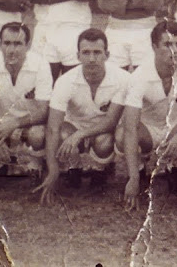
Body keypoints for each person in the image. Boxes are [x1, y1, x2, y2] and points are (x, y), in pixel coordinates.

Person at [35, 28, 130, 204]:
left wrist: (80, 135)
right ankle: (73, 168)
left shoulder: (123, 79)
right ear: (78, 56)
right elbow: (53, 127)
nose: (92, 58)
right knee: (63, 134)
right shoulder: (65, 81)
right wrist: (53, 170)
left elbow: (111, 121)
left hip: (103, 130)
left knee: (105, 141)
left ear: (107, 55)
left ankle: (100, 170)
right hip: (74, 127)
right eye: (86, 52)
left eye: (97, 52)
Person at [119, 20, 177, 210]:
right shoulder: (139, 77)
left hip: (176, 127)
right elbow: (130, 128)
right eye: (168, 44)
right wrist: (132, 178)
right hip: (148, 129)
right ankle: (139, 171)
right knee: (121, 135)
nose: (175, 50)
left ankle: (174, 167)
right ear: (154, 47)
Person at [0, 23, 52, 180]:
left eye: (18, 44)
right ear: (0, 44)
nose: (12, 50)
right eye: (7, 43)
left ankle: (32, 164)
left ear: (28, 45)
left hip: (28, 123)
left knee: (37, 134)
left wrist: (14, 124)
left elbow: (43, 111)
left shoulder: (41, 65)